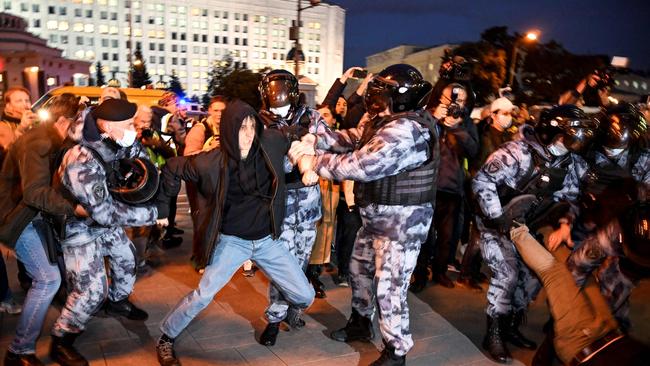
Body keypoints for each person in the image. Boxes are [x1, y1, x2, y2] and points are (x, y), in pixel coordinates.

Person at [291, 64, 438, 366]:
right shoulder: (383, 120)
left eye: (383, 93)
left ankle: (396, 351)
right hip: (374, 219)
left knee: (390, 288)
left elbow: (361, 165)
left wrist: (313, 161)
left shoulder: (407, 130)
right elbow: (352, 138)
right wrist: (317, 134)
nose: (375, 100)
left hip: (401, 225)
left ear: (399, 98)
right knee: (359, 272)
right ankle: (360, 322)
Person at [154, 99, 315, 366]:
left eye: (252, 126)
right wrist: (162, 209)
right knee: (203, 295)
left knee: (305, 296)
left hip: (267, 241)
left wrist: (306, 148)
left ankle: (281, 314)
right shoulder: (209, 163)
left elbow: (298, 133)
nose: (248, 134)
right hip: (232, 243)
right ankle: (166, 337)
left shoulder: (271, 142)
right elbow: (171, 167)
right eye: (241, 128)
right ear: (229, 130)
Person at [472, 104, 597, 363]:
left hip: (527, 227)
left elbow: (570, 199)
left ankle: (511, 326)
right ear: (553, 132)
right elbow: (482, 181)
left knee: (531, 278)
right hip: (496, 224)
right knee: (507, 273)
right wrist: (498, 217)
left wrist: (564, 224)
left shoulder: (570, 163)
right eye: (571, 134)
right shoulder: (516, 153)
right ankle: (493, 334)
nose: (577, 140)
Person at [50, 98, 157, 366]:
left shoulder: (112, 140)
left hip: (101, 220)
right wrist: (153, 215)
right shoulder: (81, 159)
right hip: (78, 228)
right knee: (91, 290)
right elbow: (104, 213)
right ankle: (62, 339)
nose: (134, 129)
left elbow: (138, 157)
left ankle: (118, 301)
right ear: (108, 126)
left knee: (127, 258)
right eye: (129, 124)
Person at [0, 94, 88, 366]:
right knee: (48, 279)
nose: (84, 129)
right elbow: (36, 192)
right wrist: (74, 208)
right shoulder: (38, 141)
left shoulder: (52, 140)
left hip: (31, 216)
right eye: (80, 123)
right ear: (64, 121)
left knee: (58, 274)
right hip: (18, 218)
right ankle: (19, 351)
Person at [257, 69, 330, 346]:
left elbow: (328, 143)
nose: (279, 95)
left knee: (300, 262)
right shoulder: (261, 122)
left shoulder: (311, 117)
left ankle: (294, 310)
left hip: (308, 203)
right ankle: (275, 318)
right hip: (281, 203)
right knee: (282, 266)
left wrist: (312, 145)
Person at [510, 224, 649, 366]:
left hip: (582, 343)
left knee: (555, 274)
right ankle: (544, 226)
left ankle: (513, 227)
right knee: (584, 275)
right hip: (612, 330)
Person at [566, 103, 649, 331]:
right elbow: (572, 189)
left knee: (612, 283)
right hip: (589, 218)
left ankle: (614, 326)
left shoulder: (643, 158)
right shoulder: (588, 152)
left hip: (626, 229)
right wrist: (566, 221)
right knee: (576, 267)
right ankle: (567, 315)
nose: (616, 149)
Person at [411, 82, 478, 292]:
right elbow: (414, 141)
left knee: (447, 237)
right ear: (442, 97)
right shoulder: (427, 115)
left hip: (452, 188)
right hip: (428, 186)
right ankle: (419, 275)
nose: (456, 103)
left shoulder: (464, 122)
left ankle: (440, 272)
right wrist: (435, 119)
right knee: (424, 237)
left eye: (461, 100)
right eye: (452, 98)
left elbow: (473, 151)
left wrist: (456, 127)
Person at [457, 97, 518, 290]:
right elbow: (478, 164)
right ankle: (466, 273)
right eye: (504, 113)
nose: (508, 118)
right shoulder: (485, 136)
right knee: (478, 233)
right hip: (482, 191)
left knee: (484, 233)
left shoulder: (505, 136)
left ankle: (473, 271)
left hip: (497, 191)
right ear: (493, 115)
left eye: (510, 114)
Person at [0, 86, 37, 314]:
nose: (25, 104)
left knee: (26, 236)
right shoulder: (3, 128)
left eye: (27, 99)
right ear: (8, 106)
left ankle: (28, 278)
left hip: (27, 193)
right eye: (19, 100)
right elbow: (6, 162)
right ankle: (4, 295)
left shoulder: (35, 125)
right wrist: (22, 131)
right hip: (6, 196)